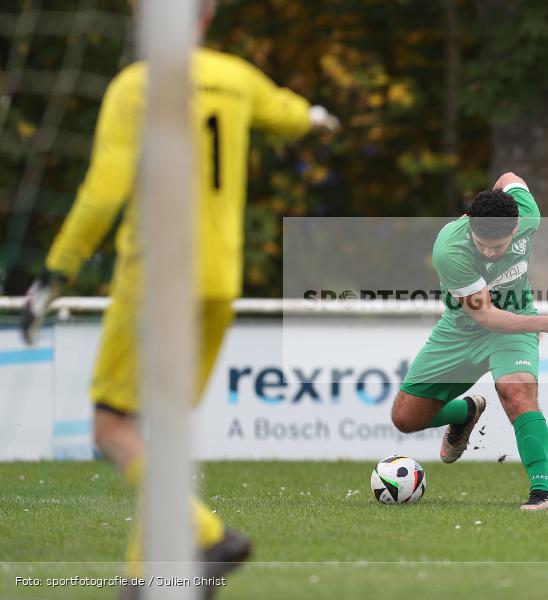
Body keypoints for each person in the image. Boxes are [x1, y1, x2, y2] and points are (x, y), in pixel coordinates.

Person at [20, 0, 340, 593]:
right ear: (207, 16)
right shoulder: (235, 77)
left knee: (112, 427)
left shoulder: (136, 87)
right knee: (158, 432)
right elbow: (289, 113)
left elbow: (102, 191)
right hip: (220, 283)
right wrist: (319, 117)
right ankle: (146, 580)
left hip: (155, 276)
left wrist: (55, 272)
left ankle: (209, 535)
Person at [390, 171, 548, 511]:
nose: (491, 254)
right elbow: (487, 316)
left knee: (517, 391)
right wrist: (544, 323)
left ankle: (542, 492)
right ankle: (465, 412)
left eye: (499, 247)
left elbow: (509, 176)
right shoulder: (450, 249)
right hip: (461, 332)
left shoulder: (527, 215)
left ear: (516, 226)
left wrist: (493, 198)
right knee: (406, 418)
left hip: (515, 325)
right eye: (483, 245)